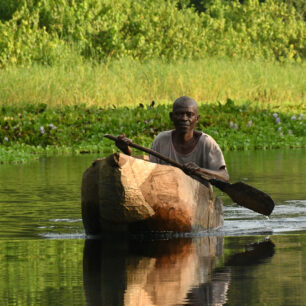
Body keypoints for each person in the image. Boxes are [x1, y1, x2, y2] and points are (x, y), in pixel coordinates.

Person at [115, 96, 229, 182]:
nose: (184, 119)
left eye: (189, 115)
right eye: (179, 114)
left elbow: (224, 176)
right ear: (171, 117)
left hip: (198, 197)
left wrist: (200, 170)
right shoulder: (161, 140)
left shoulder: (206, 143)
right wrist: (127, 152)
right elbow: (149, 172)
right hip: (166, 195)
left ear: (197, 118)